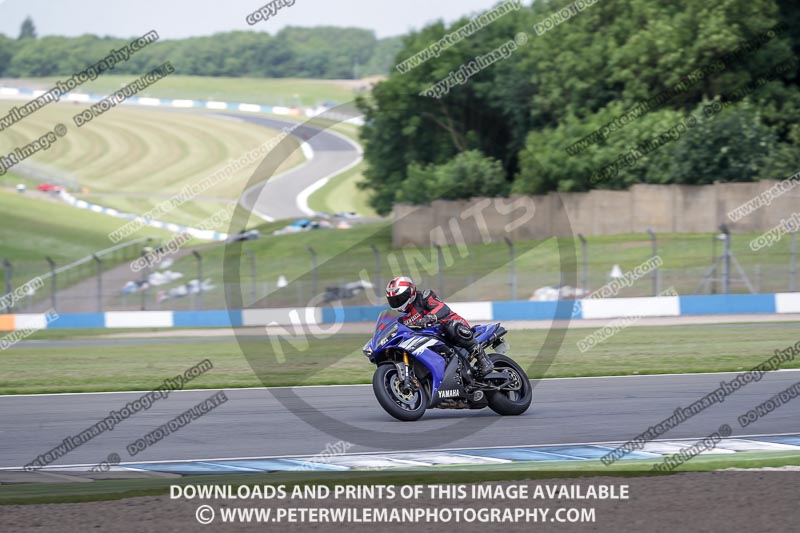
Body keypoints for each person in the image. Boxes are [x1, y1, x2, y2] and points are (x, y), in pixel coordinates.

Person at [385, 276, 494, 376]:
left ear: (410, 292)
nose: (397, 302)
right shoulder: (401, 318)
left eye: (399, 298)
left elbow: (442, 308)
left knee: (450, 326)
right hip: (428, 338)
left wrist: (428, 318)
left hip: (452, 327)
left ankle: (483, 359)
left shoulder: (424, 296)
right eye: (393, 300)